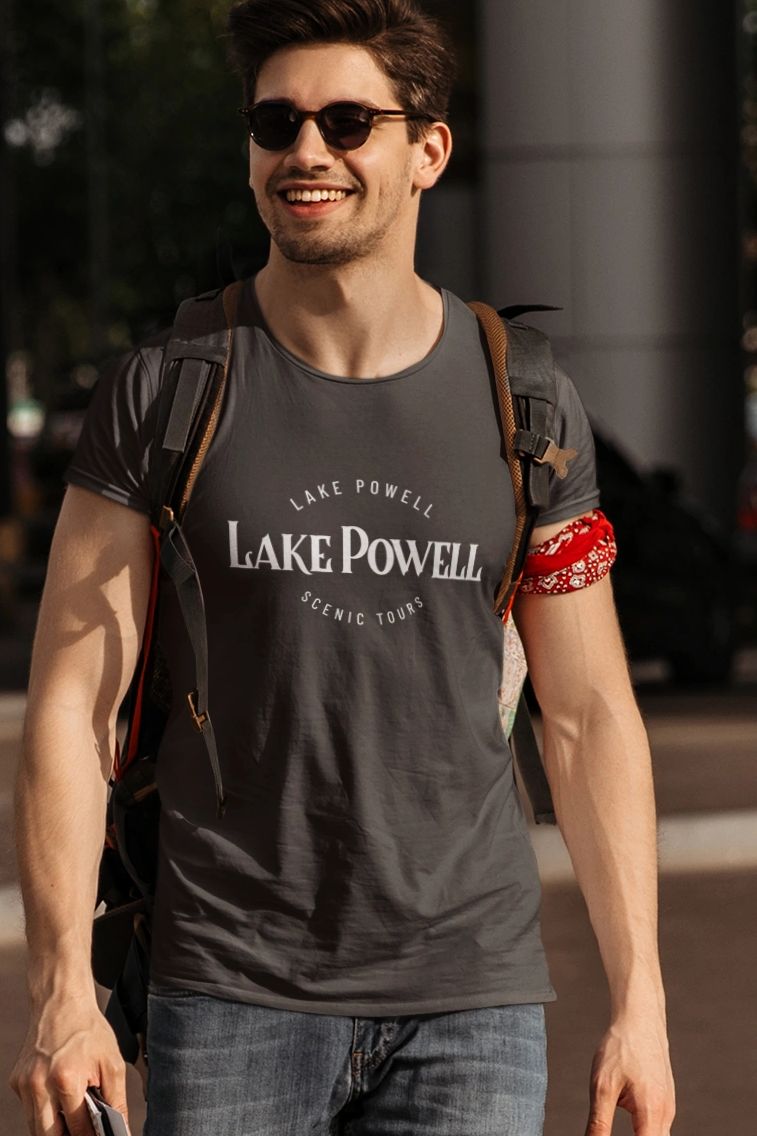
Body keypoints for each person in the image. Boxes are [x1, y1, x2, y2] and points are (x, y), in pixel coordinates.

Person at [10, 1, 676, 1134]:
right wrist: (63, 990)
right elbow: (73, 704)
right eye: (276, 122)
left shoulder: (524, 403)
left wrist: (643, 1002)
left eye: (347, 120)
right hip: (227, 992)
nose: (305, 151)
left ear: (428, 150)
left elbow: (589, 715)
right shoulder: (169, 388)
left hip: (470, 1003)